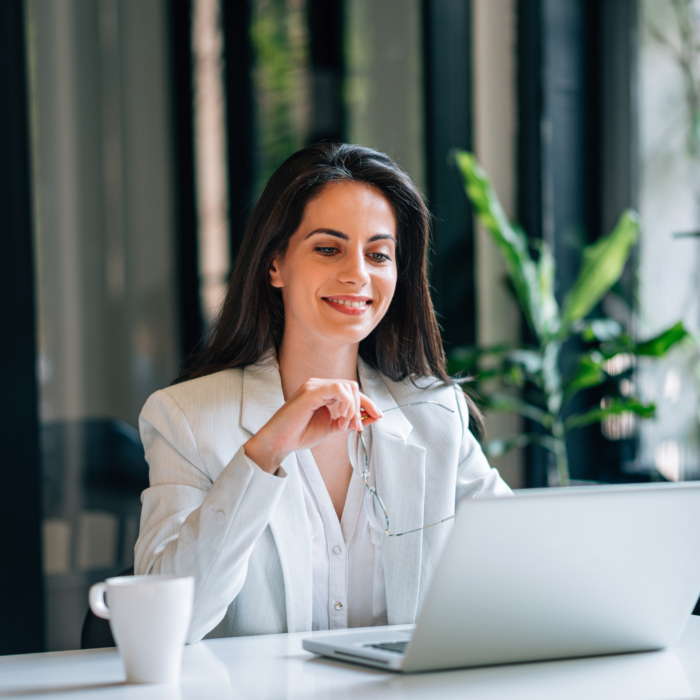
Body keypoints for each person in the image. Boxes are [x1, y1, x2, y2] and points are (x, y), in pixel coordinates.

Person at [134, 142, 511, 643]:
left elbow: (522, 563)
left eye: (379, 254)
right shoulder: (185, 418)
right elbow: (162, 626)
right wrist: (263, 456)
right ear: (275, 264)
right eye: (328, 248)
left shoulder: (435, 413)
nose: (358, 273)